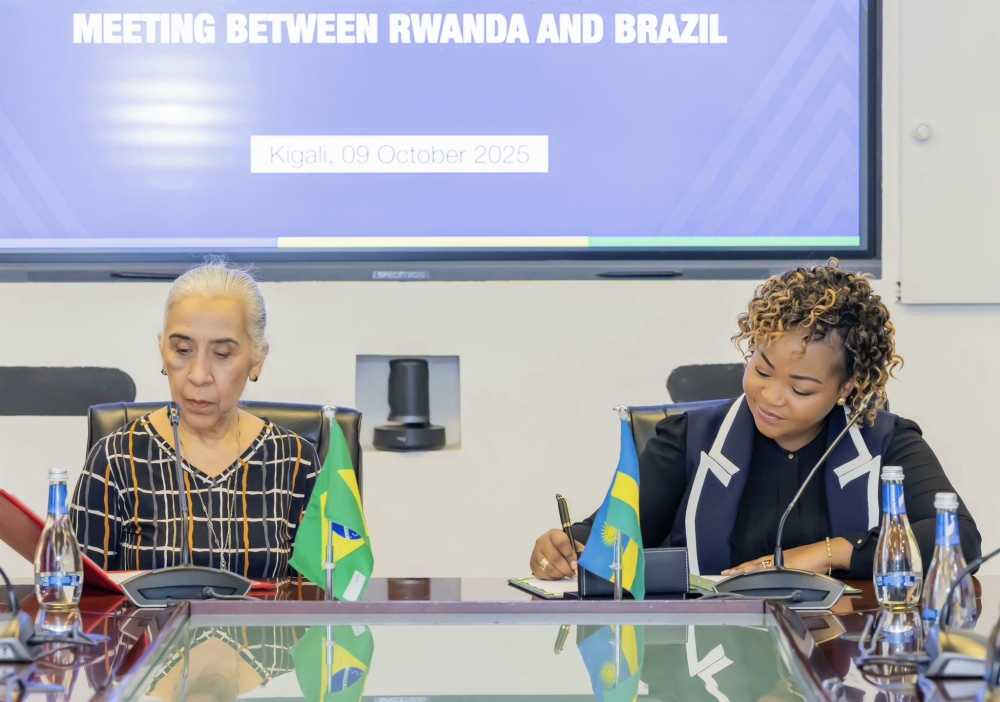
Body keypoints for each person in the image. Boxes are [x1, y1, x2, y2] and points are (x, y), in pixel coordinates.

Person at [530, 260, 981, 579]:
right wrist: (569, 546)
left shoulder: (885, 442)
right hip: (707, 658)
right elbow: (610, 536)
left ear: (847, 387)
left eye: (801, 389)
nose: (771, 397)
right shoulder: (689, 440)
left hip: (843, 651)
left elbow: (959, 537)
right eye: (762, 370)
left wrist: (830, 553)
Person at [71, 259, 319, 579]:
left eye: (222, 354)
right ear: (163, 350)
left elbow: (317, 597)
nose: (199, 375)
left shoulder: (295, 461)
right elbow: (82, 595)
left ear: (257, 359)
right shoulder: (116, 458)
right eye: (183, 350)